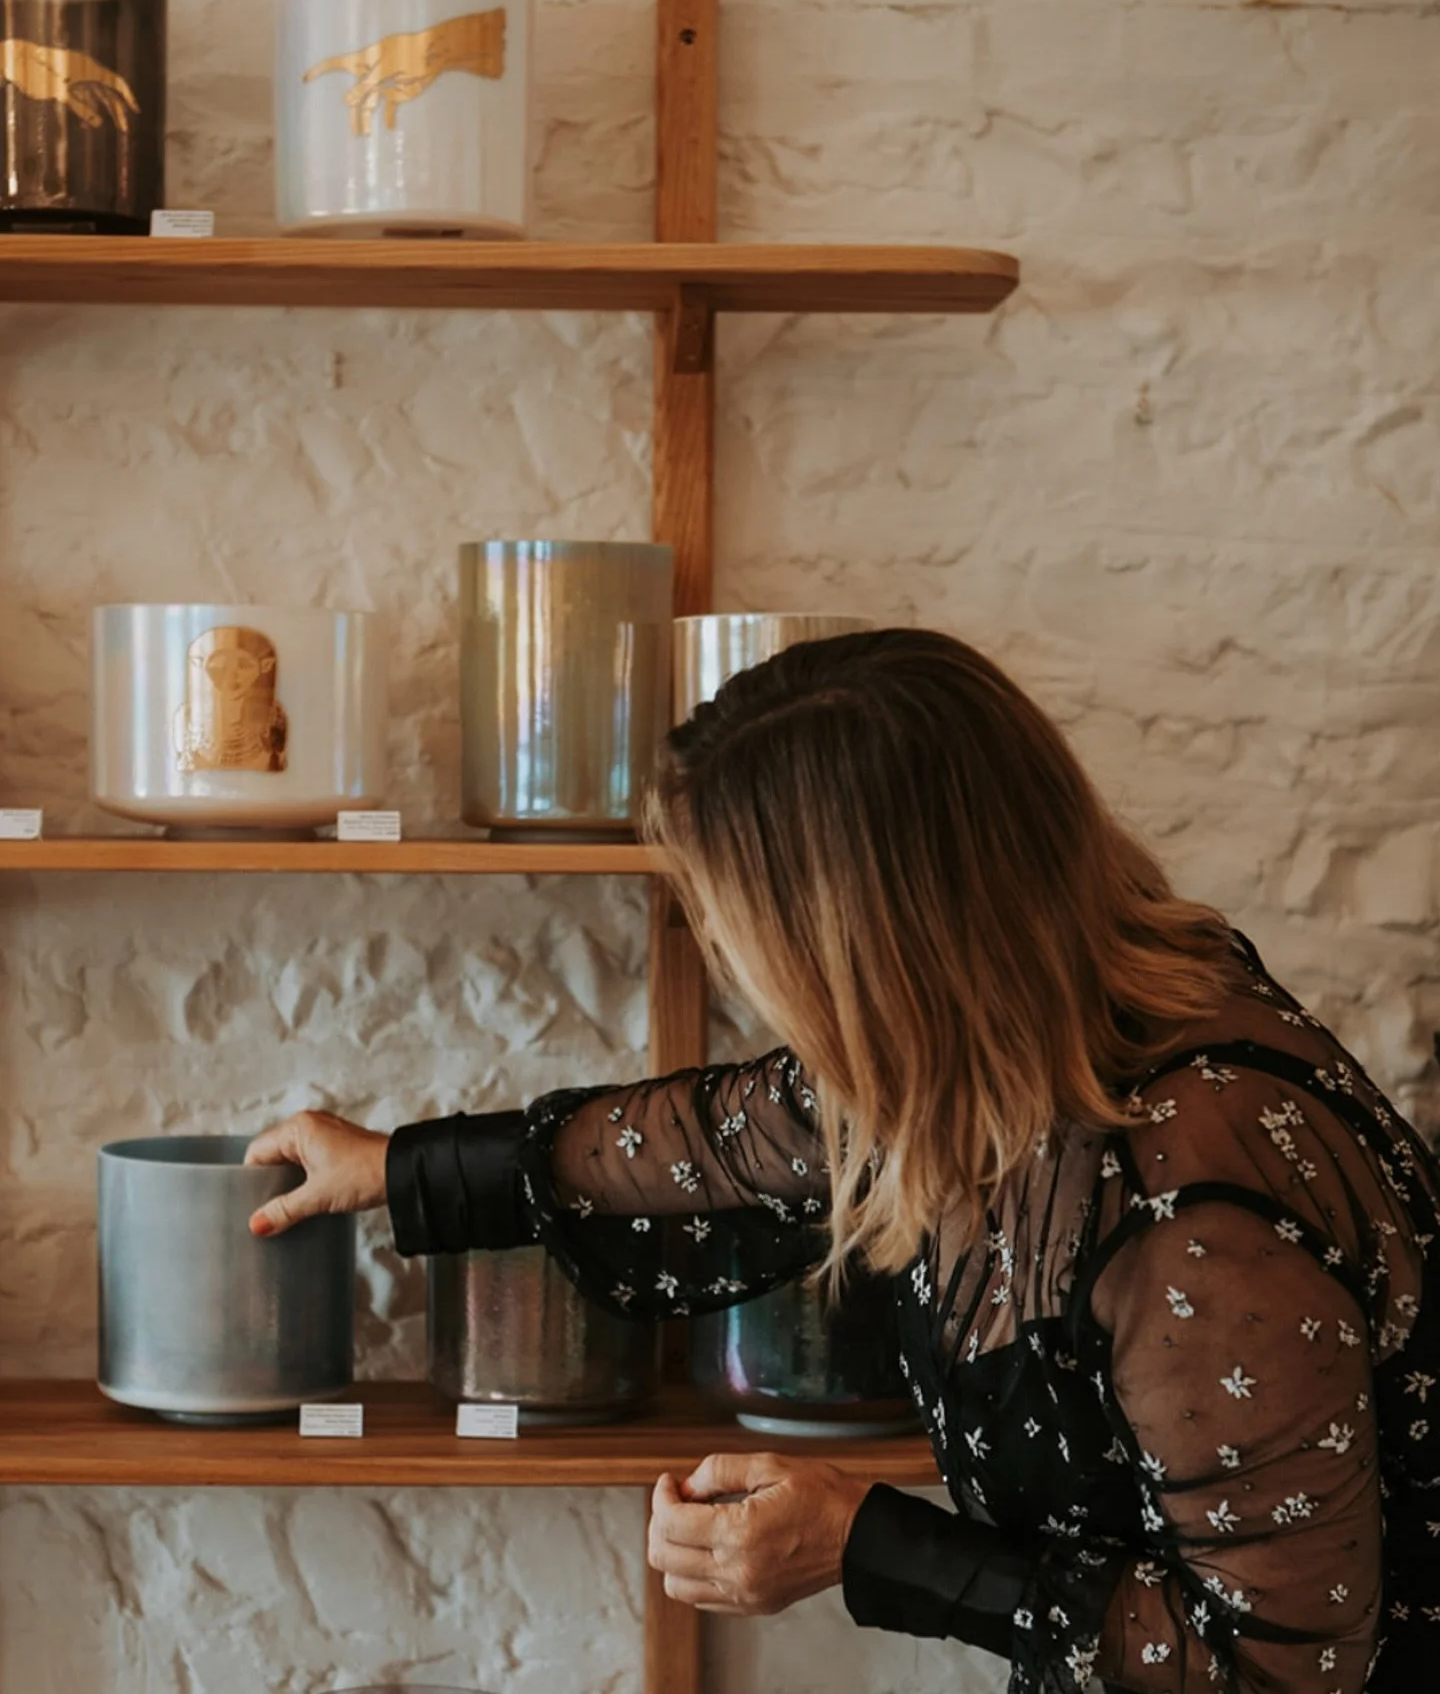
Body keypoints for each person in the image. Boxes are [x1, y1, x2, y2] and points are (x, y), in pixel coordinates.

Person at [247, 628, 1440, 1694]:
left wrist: (863, 1545)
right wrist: (405, 1170)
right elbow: (732, 1134)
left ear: (877, 951)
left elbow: (1280, 1670)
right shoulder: (1036, 1026)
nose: (714, 948)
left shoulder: (1195, 1213)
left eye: (728, 920)